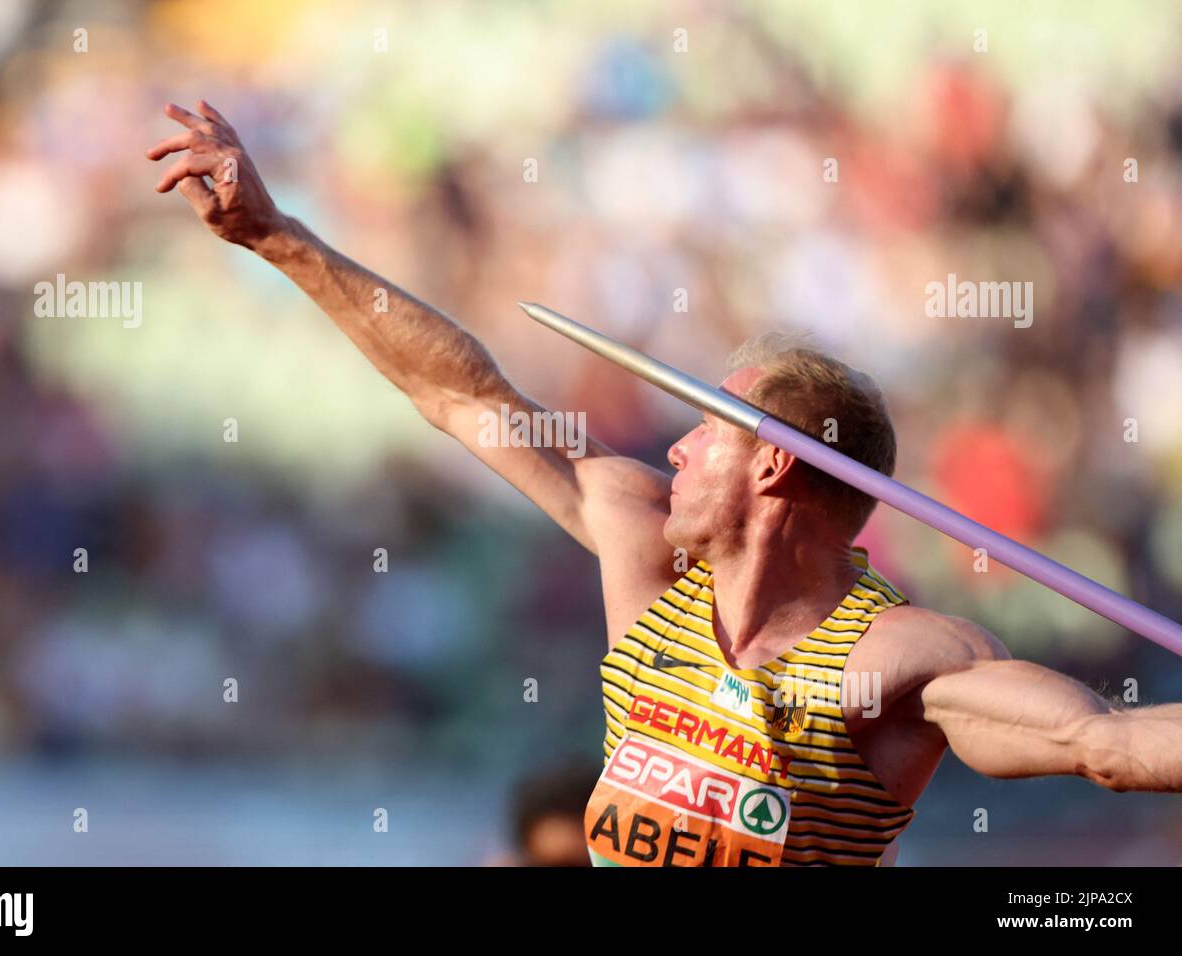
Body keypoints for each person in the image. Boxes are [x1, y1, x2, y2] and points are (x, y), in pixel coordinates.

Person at [147, 101, 1182, 866]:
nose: (674, 450)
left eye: (705, 430)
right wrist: (277, 238)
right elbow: (462, 397)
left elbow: (1104, 741)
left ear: (775, 461)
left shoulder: (898, 659)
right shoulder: (643, 544)